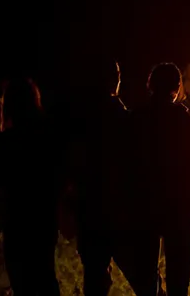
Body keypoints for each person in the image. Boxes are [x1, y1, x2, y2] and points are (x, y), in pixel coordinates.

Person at [126, 63, 190, 296]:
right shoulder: (189, 123)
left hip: (144, 203)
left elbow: (129, 162)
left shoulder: (136, 120)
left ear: (150, 85)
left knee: (145, 268)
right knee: (179, 273)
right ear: (177, 87)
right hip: (178, 206)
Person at [0, 78, 61, 295]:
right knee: (45, 276)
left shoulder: (6, 142)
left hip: (17, 222)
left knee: (22, 281)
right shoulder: (48, 139)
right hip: (44, 219)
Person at [69, 58, 129, 296]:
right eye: (116, 76)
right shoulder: (118, 115)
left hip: (90, 204)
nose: (118, 81)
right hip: (110, 205)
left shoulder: (82, 115)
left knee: (94, 271)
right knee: (102, 271)